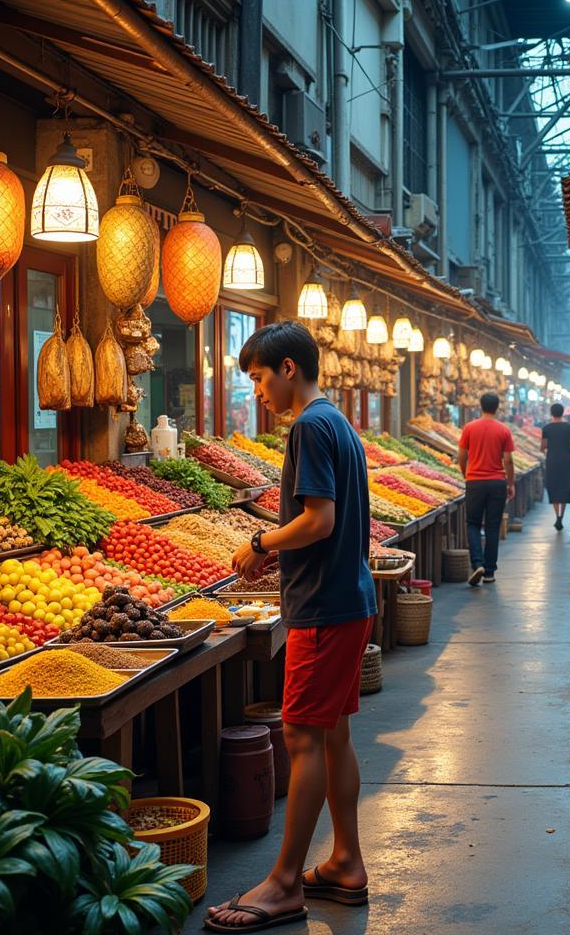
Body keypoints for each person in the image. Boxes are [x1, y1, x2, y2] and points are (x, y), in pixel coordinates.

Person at [206, 321, 376, 933]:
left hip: (324, 606)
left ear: (286, 369)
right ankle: (345, 863)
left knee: (303, 737)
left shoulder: (308, 426)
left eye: (256, 378)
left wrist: (260, 543)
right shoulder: (338, 423)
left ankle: (283, 884)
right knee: (333, 736)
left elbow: (319, 520)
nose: (256, 393)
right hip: (347, 598)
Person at [458, 392, 514, 586]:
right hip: (497, 482)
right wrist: (511, 482)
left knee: (473, 523)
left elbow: (462, 455)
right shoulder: (503, 430)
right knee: (492, 525)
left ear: (480, 406)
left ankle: (477, 564)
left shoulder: (469, 428)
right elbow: (508, 460)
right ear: (497, 407)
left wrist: (467, 474)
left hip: (475, 481)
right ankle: (489, 571)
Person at [542, 402, 570, 530]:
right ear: (563, 413)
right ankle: (562, 516)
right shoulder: (568, 427)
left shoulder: (546, 428)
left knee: (554, 487)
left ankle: (557, 515)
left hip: (552, 460)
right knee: (564, 486)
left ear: (552, 413)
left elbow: (543, 446)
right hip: (565, 460)